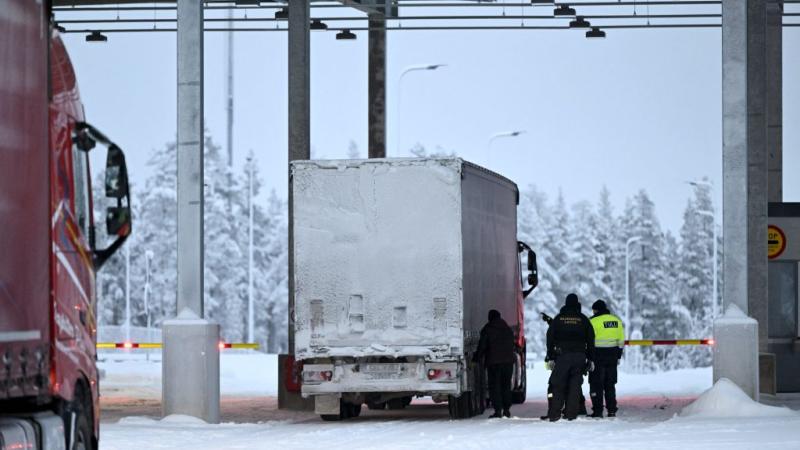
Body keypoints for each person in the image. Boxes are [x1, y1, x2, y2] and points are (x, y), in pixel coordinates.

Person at [545, 293, 595, 422]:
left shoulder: (559, 319)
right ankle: (571, 415)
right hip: (579, 357)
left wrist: (550, 356)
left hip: (562, 357)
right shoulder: (583, 319)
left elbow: (549, 337)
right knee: (575, 386)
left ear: (566, 303)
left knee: (558, 384)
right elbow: (591, 340)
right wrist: (590, 358)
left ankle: (555, 413)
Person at [475, 309, 516, 418]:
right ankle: (507, 410)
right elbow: (513, 345)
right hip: (508, 363)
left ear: (490, 317)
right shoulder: (508, 329)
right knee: (506, 386)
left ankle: (498, 411)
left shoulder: (487, 329)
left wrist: (477, 358)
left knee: (495, 387)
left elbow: (482, 346)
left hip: (494, 363)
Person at [588, 299, 625, 418]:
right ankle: (612, 410)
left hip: (597, 355)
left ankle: (598, 411)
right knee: (610, 384)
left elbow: (588, 341)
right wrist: (618, 356)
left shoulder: (592, 321)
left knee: (596, 383)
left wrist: (589, 357)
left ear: (596, 310)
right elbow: (621, 341)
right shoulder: (616, 321)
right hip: (612, 355)